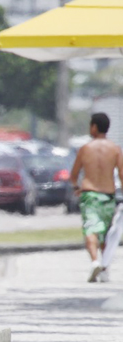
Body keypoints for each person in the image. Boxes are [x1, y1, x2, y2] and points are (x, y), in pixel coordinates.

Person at [69, 112, 123, 282]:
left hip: (90, 195)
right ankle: (105, 268)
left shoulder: (85, 149)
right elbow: (122, 174)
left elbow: (74, 174)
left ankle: (94, 261)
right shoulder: (115, 149)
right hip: (108, 196)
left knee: (91, 230)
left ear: (94, 126)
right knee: (105, 233)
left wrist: (77, 187)